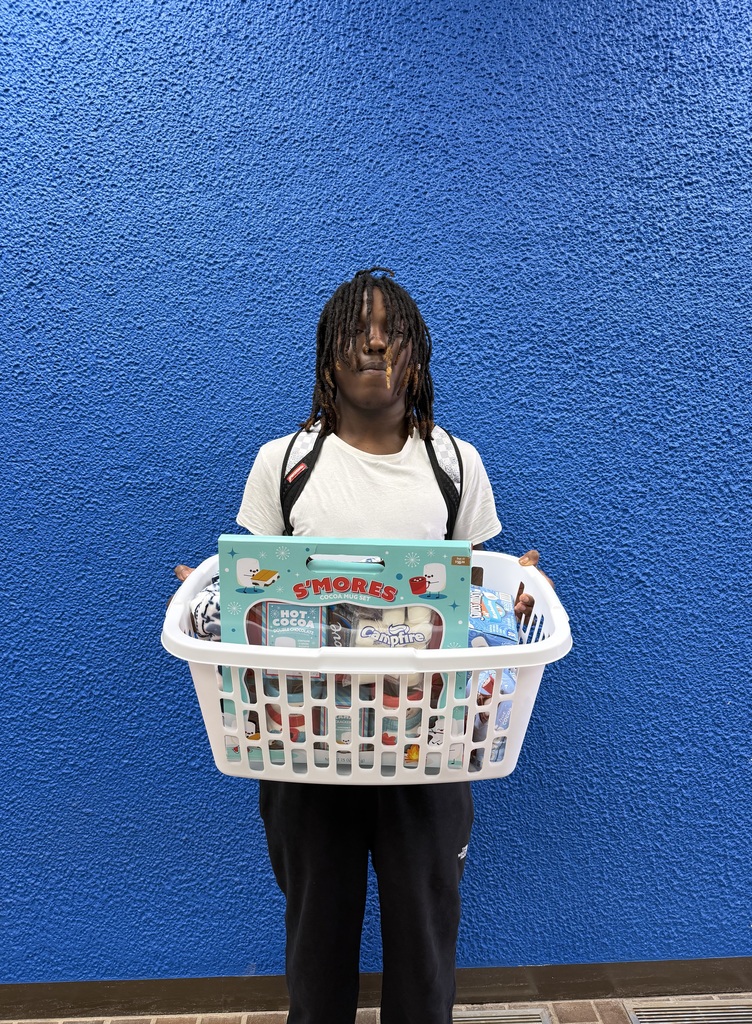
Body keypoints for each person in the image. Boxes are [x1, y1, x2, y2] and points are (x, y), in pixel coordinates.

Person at [175, 267, 547, 1024]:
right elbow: (252, 589)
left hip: (429, 744)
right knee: (316, 941)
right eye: (357, 328)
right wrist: (212, 597)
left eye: (393, 329)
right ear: (326, 354)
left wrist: (509, 596)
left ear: (418, 352)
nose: (375, 342)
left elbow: (473, 594)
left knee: (425, 935)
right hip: (304, 745)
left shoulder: (453, 464)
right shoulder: (285, 463)